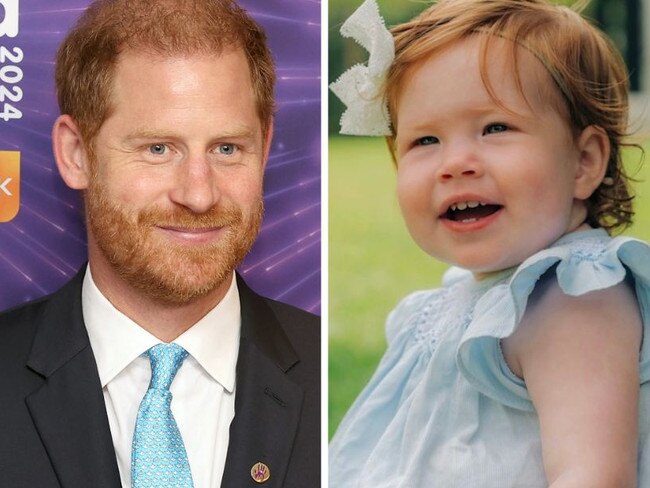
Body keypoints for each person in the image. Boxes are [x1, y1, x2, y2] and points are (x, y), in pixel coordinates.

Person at [329, 0, 650, 486]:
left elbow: (593, 475)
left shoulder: (574, 299)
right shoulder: (474, 297)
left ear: (584, 162)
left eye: (495, 128)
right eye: (425, 141)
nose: (455, 163)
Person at [0, 1, 319, 487]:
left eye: (227, 148)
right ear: (76, 153)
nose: (198, 193)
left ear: (266, 145)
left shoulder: (332, 376)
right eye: (158, 149)